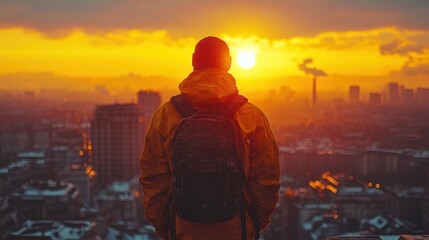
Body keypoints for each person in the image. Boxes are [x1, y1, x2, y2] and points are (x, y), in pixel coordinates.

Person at [140, 36, 280, 240]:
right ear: (229, 63)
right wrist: (253, 224)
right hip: (236, 229)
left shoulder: (165, 115)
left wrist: (165, 227)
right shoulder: (250, 116)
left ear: (193, 61)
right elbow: (267, 180)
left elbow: (153, 179)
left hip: (182, 229)